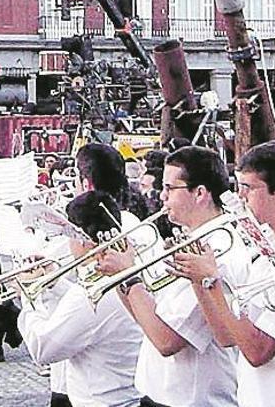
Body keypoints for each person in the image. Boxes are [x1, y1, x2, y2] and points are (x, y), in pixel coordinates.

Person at [172, 140, 275, 407]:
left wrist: (212, 281)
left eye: (248, 189)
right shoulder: (266, 247)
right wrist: (198, 280)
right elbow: (227, 336)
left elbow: (257, 350)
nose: (240, 198)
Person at [97, 146, 248, 407]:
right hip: (163, 395)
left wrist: (129, 277)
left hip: (191, 400)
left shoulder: (216, 249)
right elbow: (147, 319)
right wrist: (121, 277)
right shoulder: (191, 240)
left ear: (200, 193)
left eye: (170, 188)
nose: (162, 196)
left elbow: (167, 340)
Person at [18, 191, 142, 407]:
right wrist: (54, 281)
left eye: (68, 236)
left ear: (84, 240)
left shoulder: (91, 292)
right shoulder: (130, 272)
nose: (68, 244)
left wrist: (29, 295)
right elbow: (88, 315)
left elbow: (42, 348)